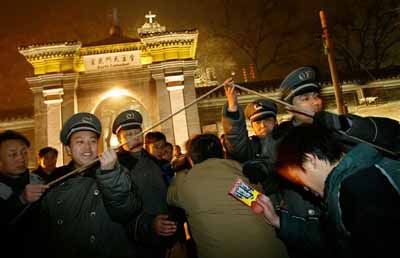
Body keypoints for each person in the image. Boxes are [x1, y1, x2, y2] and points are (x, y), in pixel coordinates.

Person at [222, 66, 400, 258]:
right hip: (306, 223)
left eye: (315, 96)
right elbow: (268, 162)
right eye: (305, 99)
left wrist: (347, 125)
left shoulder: (339, 127)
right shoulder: (281, 138)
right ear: (290, 107)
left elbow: (392, 136)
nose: (314, 103)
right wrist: (262, 169)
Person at [253, 124, 400, 258]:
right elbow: (331, 237)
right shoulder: (367, 170)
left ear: (311, 160)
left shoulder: (358, 193)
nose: (304, 187)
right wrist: (278, 221)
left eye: (298, 179)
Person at [167, 134, 288, 258]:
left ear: (191, 160)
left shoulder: (186, 184)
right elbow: (257, 200)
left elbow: (170, 197)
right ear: (222, 153)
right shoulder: (241, 172)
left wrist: (180, 172)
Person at [39, 112, 142, 258]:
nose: (87, 148)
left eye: (93, 141)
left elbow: (127, 211)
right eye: (80, 142)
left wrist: (110, 175)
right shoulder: (55, 181)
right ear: (68, 149)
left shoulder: (116, 172)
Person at [112, 110, 177, 258]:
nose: (135, 138)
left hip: (165, 236)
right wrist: (149, 224)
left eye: (137, 133)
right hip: (135, 242)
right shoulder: (116, 167)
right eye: (128, 135)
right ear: (119, 139)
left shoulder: (155, 162)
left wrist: (175, 239)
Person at [0, 130, 48, 258]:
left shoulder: (40, 182)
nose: (21, 158)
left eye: (24, 153)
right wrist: (20, 200)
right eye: (12, 154)